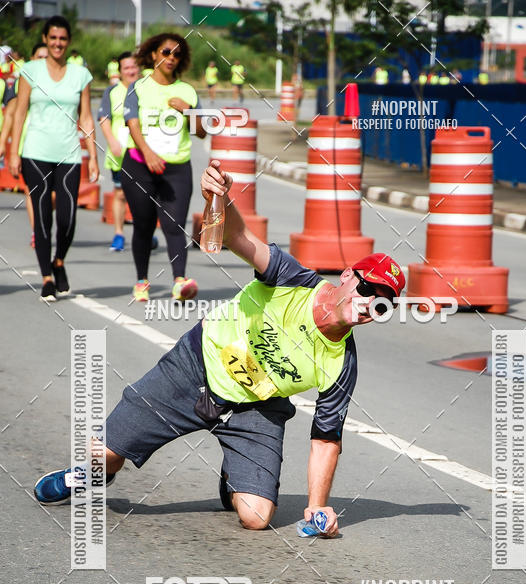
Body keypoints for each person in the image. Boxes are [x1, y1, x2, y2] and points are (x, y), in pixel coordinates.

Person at [33, 160, 406, 537]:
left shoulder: (343, 363)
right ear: (347, 276)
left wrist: (315, 507)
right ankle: (90, 476)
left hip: (258, 404)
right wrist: (223, 198)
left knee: (256, 517)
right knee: (104, 458)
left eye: (382, 303)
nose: (369, 303)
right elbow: (239, 238)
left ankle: (235, 477)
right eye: (367, 289)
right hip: (197, 366)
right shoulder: (294, 279)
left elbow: (325, 439)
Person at [8, 16, 98, 302]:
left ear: (68, 42)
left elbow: (85, 116)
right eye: (53, 38)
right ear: (45, 39)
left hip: (69, 152)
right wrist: (13, 151)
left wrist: (93, 155)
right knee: (43, 213)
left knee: (68, 218)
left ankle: (59, 260)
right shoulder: (30, 70)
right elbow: (20, 112)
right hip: (35, 152)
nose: (57, 43)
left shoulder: (80, 74)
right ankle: (47, 276)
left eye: (62, 39)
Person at [120, 33, 206, 303]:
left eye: (177, 54)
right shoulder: (138, 87)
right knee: (144, 225)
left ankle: (180, 282)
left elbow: (202, 132)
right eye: (166, 52)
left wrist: (189, 111)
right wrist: (148, 154)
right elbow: (132, 123)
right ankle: (142, 281)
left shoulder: (187, 91)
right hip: (139, 165)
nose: (171, 58)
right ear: (154, 54)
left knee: (175, 225)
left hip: (176, 168)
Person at [0, 43, 49, 249]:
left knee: (52, 195)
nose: (43, 61)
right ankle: (37, 231)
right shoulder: (24, 81)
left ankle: (45, 218)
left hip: (56, 145)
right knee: (32, 191)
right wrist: (5, 143)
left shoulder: (63, 81)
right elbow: (11, 113)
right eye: (39, 56)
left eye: (46, 57)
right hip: (28, 144)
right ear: (31, 58)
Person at [97, 51, 140, 252]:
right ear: (120, 71)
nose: (130, 71)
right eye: (126, 68)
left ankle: (143, 233)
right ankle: (119, 234)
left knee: (143, 197)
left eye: (133, 67)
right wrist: (112, 142)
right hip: (119, 152)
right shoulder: (112, 92)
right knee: (120, 193)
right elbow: (104, 118)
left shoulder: (145, 90)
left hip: (143, 153)